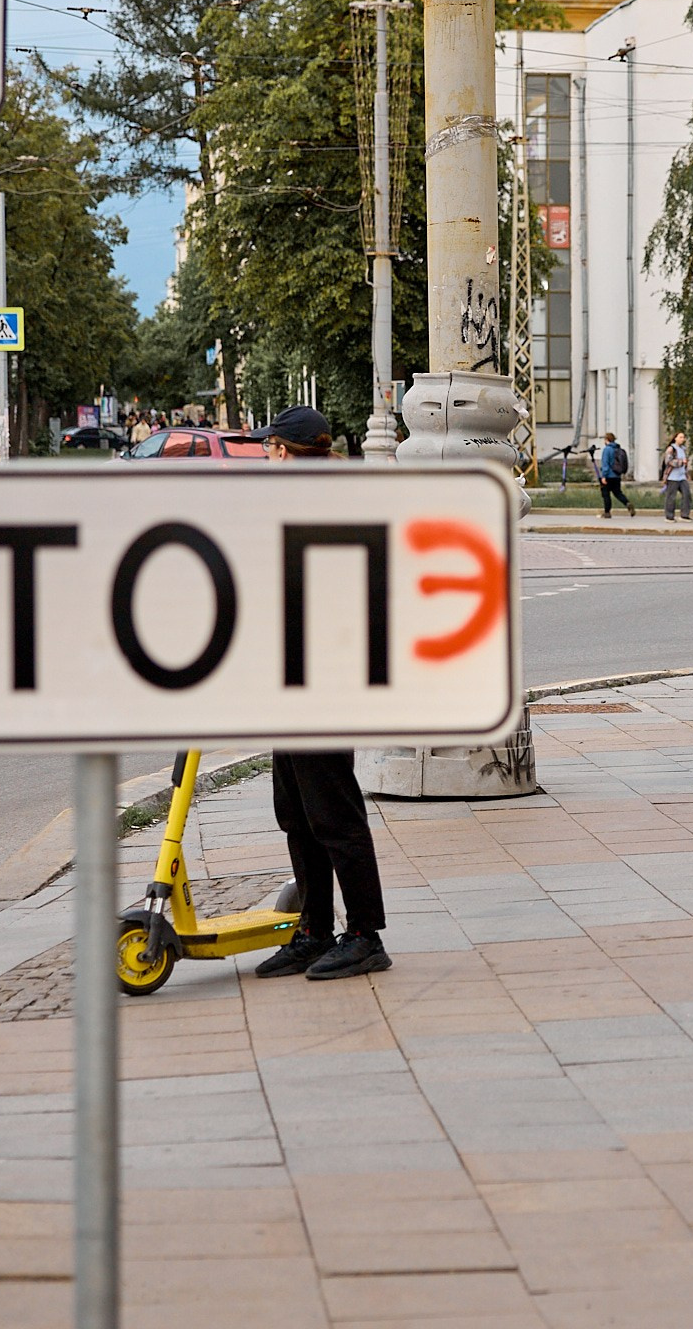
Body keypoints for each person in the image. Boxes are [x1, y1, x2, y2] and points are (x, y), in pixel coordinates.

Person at [245, 406, 391, 982]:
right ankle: (313, 929)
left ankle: (364, 934)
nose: (263, 457)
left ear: (284, 452)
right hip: (292, 678)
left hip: (326, 680)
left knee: (333, 809)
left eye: (268, 448)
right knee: (296, 810)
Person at [597, 431, 636, 518]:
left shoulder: (607, 450)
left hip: (608, 476)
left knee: (606, 494)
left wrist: (604, 476)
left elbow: (605, 464)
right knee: (618, 493)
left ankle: (607, 512)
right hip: (616, 475)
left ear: (607, 440)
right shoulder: (618, 448)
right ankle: (627, 503)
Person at [661, 432, 693, 520]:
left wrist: (687, 474)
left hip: (682, 476)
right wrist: (680, 462)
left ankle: (684, 514)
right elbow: (668, 461)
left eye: (683, 437)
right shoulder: (671, 449)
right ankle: (669, 516)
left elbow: (685, 463)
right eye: (680, 437)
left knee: (687, 494)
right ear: (675, 438)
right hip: (672, 477)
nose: (682, 439)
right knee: (671, 497)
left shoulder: (683, 449)